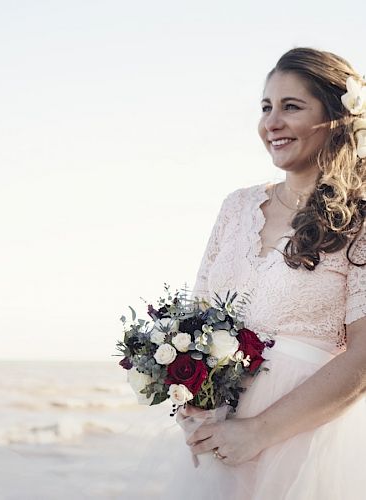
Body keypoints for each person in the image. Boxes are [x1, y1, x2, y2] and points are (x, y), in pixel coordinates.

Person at [168, 47, 366, 499]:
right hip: (220, 442)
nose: (271, 123)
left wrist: (257, 432)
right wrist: (193, 404)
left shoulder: (361, 215)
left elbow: (364, 356)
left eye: (291, 107)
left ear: (338, 117)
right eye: (265, 107)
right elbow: (193, 323)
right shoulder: (236, 206)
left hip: (309, 445)